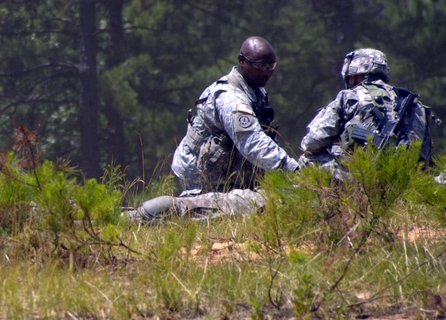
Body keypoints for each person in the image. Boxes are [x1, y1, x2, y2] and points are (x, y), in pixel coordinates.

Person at [127, 36, 299, 222]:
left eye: (270, 66)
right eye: (260, 66)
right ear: (241, 61)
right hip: (200, 174)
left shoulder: (257, 92)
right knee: (198, 214)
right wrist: (292, 169)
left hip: (226, 173)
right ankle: (132, 219)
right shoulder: (230, 98)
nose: (266, 72)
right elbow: (252, 142)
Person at [300, 48, 434, 173]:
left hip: (359, 175)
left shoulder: (348, 96)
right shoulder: (413, 103)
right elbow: (426, 152)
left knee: (307, 160)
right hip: (406, 178)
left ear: (355, 75)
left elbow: (312, 143)